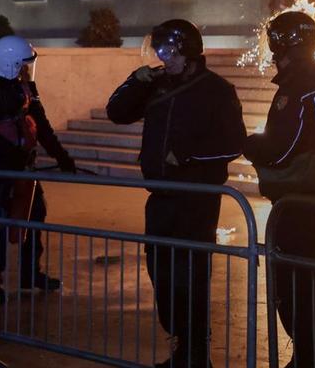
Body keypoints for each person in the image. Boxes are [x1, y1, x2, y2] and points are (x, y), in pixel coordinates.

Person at [105, 19, 246, 368]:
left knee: (190, 277)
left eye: (167, 51)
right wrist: (133, 83)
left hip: (196, 200)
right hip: (161, 197)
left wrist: (187, 155)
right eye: (160, 51)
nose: (162, 57)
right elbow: (116, 113)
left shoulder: (216, 90)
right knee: (162, 273)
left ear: (187, 51)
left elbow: (233, 143)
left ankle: (197, 354)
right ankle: (181, 347)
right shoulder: (156, 84)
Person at [243, 11, 315, 368]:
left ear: (285, 45)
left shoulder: (296, 90)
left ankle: (310, 357)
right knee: (313, 280)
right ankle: (311, 354)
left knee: (288, 286)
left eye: (275, 43)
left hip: (299, 202)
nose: (273, 51)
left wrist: (249, 145)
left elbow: (281, 148)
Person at [0, 35, 71, 304]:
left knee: (35, 214)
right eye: (22, 64)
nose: (26, 69)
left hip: (22, 166)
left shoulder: (23, 87)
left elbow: (41, 124)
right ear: (10, 63)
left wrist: (62, 156)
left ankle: (30, 274)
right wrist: (11, 154)